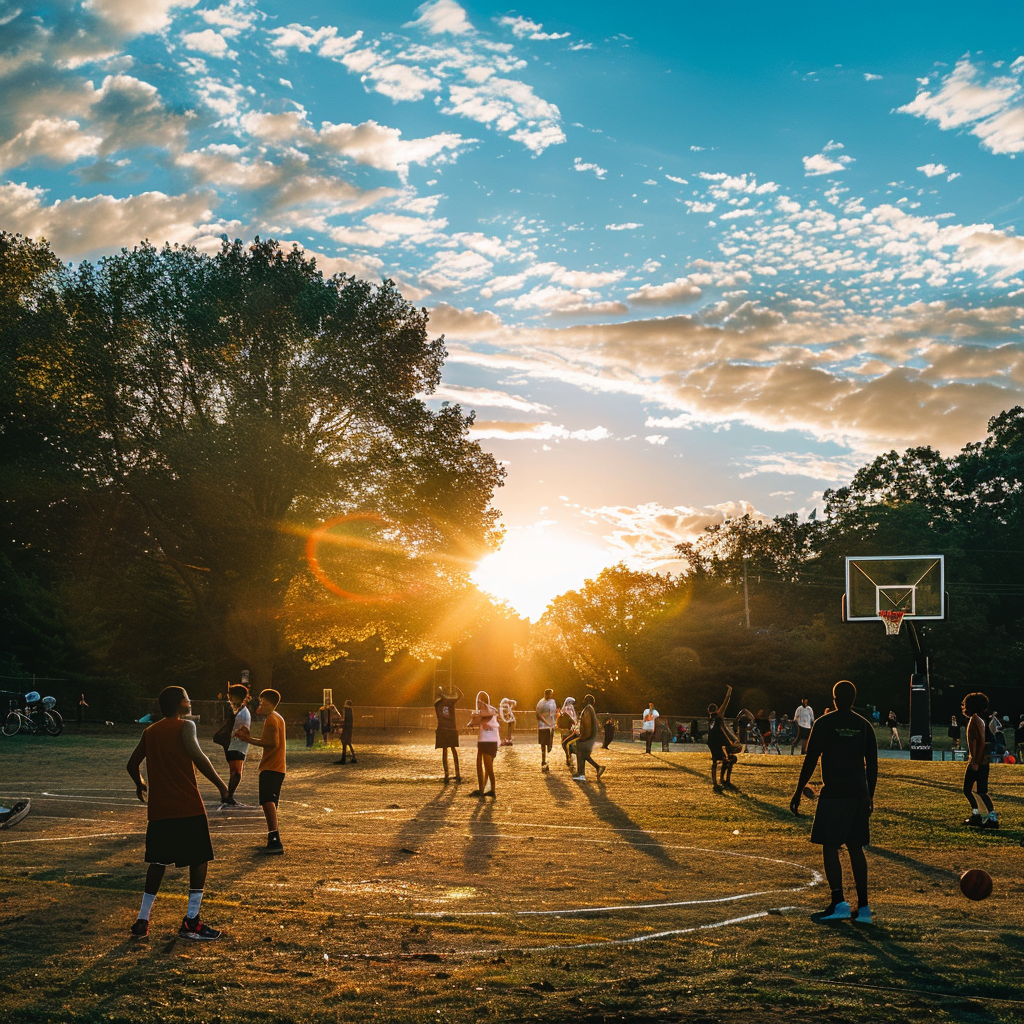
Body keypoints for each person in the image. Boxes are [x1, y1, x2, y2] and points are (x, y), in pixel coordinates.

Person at [126, 685, 229, 940]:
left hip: (160, 810)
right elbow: (198, 756)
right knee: (199, 858)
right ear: (178, 704)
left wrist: (141, 784)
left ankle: (142, 920)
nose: (190, 701)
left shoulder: (149, 732)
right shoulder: (186, 726)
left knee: (157, 862)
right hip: (187, 806)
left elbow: (132, 764)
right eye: (187, 698)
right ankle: (191, 921)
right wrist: (221, 785)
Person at [790, 679, 877, 924]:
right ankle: (864, 908)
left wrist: (798, 792)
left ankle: (838, 902)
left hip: (834, 793)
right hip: (858, 794)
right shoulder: (864, 726)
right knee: (855, 847)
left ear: (834, 699)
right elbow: (872, 764)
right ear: (854, 699)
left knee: (830, 845)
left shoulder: (825, 723)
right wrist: (870, 795)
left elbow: (811, 760)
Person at [235, 689, 287, 854]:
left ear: (270, 703)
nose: (260, 705)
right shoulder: (277, 717)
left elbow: (272, 743)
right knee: (270, 802)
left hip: (271, 767)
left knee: (267, 801)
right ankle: (272, 838)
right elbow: (270, 740)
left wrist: (247, 739)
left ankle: (275, 840)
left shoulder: (272, 719)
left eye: (262, 702)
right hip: (277, 767)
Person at [962, 692, 998, 828]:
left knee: (974, 790)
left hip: (978, 760)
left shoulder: (976, 720)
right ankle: (980, 815)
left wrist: (975, 762)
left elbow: (980, 742)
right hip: (978, 760)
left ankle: (986, 816)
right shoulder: (978, 719)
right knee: (975, 790)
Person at [707, 686, 740, 791]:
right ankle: (722, 780)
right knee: (728, 759)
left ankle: (717, 782)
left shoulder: (711, 718)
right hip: (718, 741)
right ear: (716, 709)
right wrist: (729, 692)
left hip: (712, 742)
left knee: (718, 761)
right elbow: (725, 703)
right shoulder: (718, 715)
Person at [223, 684, 250, 805]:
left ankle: (228, 795)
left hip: (238, 745)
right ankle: (229, 796)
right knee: (236, 773)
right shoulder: (240, 711)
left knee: (235, 773)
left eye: (232, 697)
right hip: (236, 745)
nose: (230, 699)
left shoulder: (241, 711)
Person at [469, 692, 500, 798]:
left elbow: (487, 715)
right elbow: (475, 721)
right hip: (482, 740)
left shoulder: (491, 710)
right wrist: (473, 721)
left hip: (490, 741)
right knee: (479, 764)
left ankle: (492, 789)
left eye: (479, 702)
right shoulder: (480, 712)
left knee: (488, 766)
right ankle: (481, 788)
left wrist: (479, 714)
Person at [573, 694, 606, 782]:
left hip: (587, 737)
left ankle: (582, 773)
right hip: (590, 736)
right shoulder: (590, 709)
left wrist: (583, 737)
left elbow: (587, 725)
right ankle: (585, 772)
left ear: (586, 701)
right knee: (584, 755)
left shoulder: (587, 710)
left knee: (581, 754)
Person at [434, 685, 462, 782]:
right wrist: (455, 689)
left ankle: (449, 774)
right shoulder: (448, 702)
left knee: (446, 751)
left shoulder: (439, 703)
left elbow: (459, 696)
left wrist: (442, 692)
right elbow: (459, 696)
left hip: (445, 729)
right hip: (449, 729)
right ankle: (455, 773)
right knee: (451, 750)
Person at [535, 688, 557, 769]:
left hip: (550, 726)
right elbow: (537, 714)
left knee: (549, 742)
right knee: (543, 744)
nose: (551, 695)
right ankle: (543, 759)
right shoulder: (541, 703)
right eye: (550, 694)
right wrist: (544, 721)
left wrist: (553, 723)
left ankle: (549, 747)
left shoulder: (552, 702)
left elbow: (553, 714)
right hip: (543, 726)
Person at [558, 697, 578, 768]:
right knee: (569, 744)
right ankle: (570, 758)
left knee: (565, 744)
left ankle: (568, 758)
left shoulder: (563, 710)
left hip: (564, 730)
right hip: (569, 729)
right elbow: (573, 719)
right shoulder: (569, 709)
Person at [336, 700, 356, 764]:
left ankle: (344, 759)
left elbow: (346, 721)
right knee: (348, 743)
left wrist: (342, 726)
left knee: (345, 743)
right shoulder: (350, 710)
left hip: (347, 730)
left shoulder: (347, 710)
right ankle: (352, 758)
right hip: (349, 729)